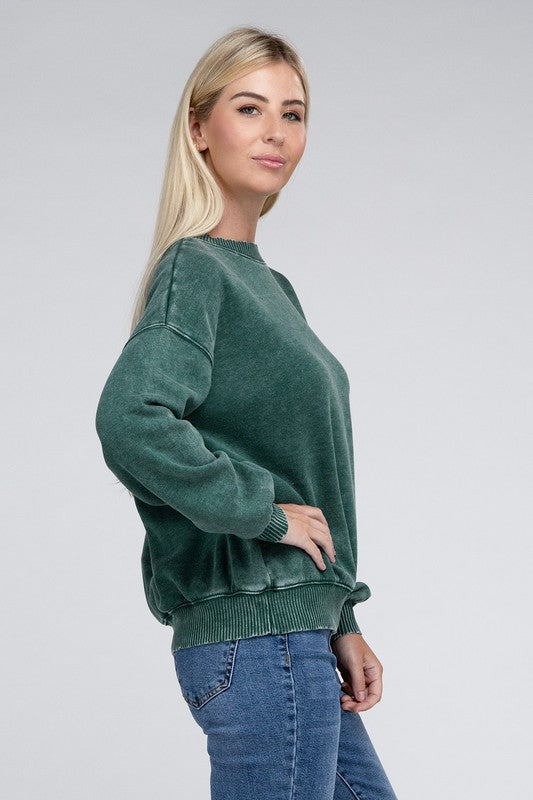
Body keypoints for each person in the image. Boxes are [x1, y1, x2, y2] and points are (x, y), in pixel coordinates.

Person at [95, 24, 398, 800]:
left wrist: (340, 618)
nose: (276, 132)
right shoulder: (195, 270)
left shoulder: (268, 286)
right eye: (249, 108)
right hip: (258, 640)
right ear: (199, 127)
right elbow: (131, 419)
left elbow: (304, 467)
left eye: (293, 114)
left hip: (294, 631)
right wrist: (262, 512)